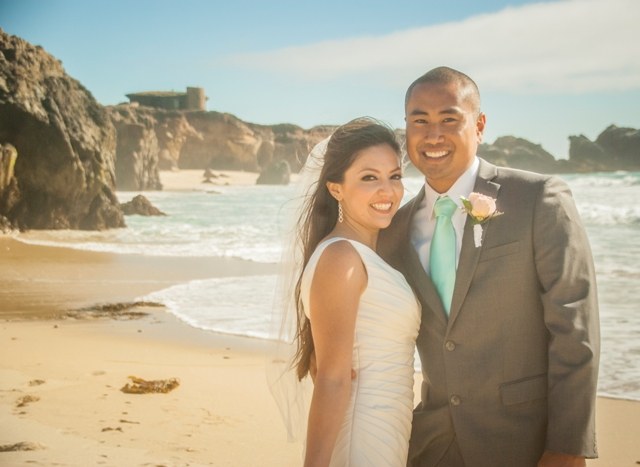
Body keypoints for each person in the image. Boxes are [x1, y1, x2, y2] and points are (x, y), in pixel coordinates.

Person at [378, 66, 600, 467]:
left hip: (525, 441)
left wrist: (567, 446)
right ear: (406, 130)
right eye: (419, 121)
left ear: (479, 125)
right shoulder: (394, 228)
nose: (433, 135)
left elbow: (574, 326)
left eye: (449, 119)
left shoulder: (538, 199)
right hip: (430, 445)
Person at [286, 117, 421, 466]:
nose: (387, 191)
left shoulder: (363, 255)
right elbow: (332, 379)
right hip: (364, 430)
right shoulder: (341, 258)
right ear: (336, 188)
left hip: (391, 427)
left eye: (395, 176)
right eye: (368, 178)